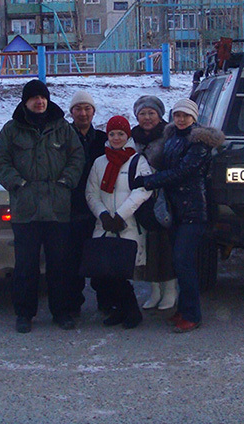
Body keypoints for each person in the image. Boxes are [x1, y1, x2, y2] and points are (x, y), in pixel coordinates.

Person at [0, 79, 84, 333]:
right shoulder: (11, 130)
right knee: (26, 266)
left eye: (42, 97)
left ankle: (62, 312)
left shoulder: (62, 128)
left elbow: (77, 158)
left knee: (59, 265)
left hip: (57, 209)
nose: (39, 102)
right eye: (34, 98)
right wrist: (17, 183)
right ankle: (24, 314)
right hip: (26, 210)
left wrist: (66, 181)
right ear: (25, 101)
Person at [132, 98, 225, 333]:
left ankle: (193, 314)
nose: (181, 119)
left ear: (194, 118)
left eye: (185, 115)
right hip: (176, 209)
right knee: (180, 261)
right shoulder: (172, 137)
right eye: (177, 115)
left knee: (184, 262)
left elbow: (183, 172)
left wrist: (149, 181)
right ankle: (184, 309)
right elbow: (163, 163)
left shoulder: (199, 143)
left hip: (194, 210)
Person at [85, 116, 153, 329]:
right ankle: (118, 309)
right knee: (101, 274)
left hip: (127, 224)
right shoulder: (99, 162)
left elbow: (143, 190)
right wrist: (103, 215)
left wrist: (120, 216)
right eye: (112, 134)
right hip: (104, 225)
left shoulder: (137, 161)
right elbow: (91, 193)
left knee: (119, 273)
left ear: (127, 136)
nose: (116, 138)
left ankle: (130, 311)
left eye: (120, 134)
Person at [130, 95, 177, 311]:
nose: (147, 117)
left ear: (160, 115)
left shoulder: (169, 136)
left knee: (164, 246)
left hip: (163, 198)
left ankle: (170, 289)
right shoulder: (133, 138)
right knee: (147, 246)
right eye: (142, 113)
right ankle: (155, 290)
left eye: (151, 113)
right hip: (140, 199)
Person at [65, 90, 110, 316]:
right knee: (72, 263)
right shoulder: (62, 138)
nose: (83, 113)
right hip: (70, 208)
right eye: (78, 109)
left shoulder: (104, 140)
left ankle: (106, 304)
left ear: (93, 112)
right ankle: (72, 308)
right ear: (71, 112)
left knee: (100, 260)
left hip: (99, 208)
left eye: (87, 109)